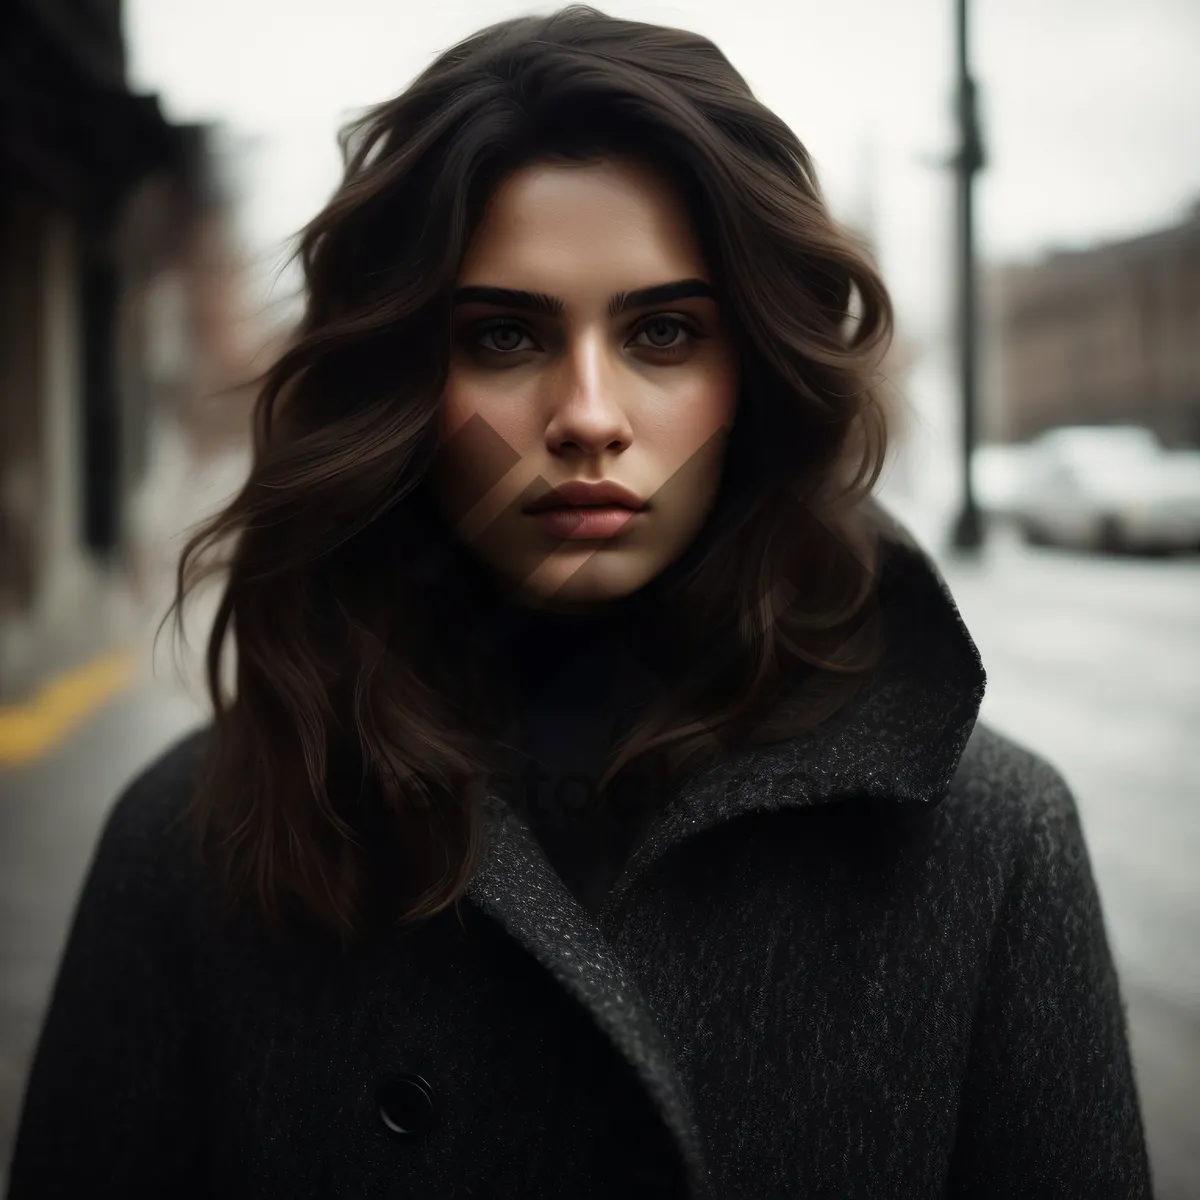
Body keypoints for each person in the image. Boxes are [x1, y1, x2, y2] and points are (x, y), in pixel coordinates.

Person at [6, 7, 1152, 1198]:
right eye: (505, 335)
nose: (589, 416)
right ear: (404, 381)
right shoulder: (198, 837)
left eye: (663, 332)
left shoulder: (989, 841)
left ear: (751, 373)